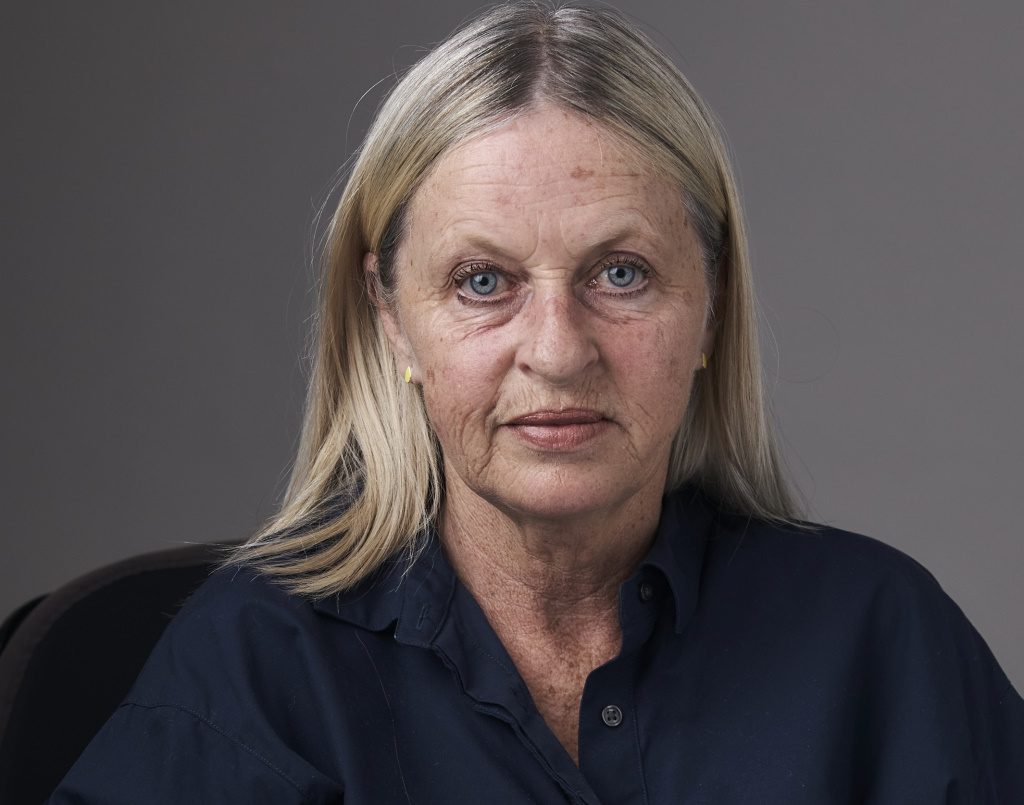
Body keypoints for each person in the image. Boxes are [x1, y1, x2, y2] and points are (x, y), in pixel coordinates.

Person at [50, 2, 1023, 803]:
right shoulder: (255, 669)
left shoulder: (882, 640)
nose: (556, 351)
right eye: (482, 281)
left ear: (712, 308)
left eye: (621, 273)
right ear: (390, 316)